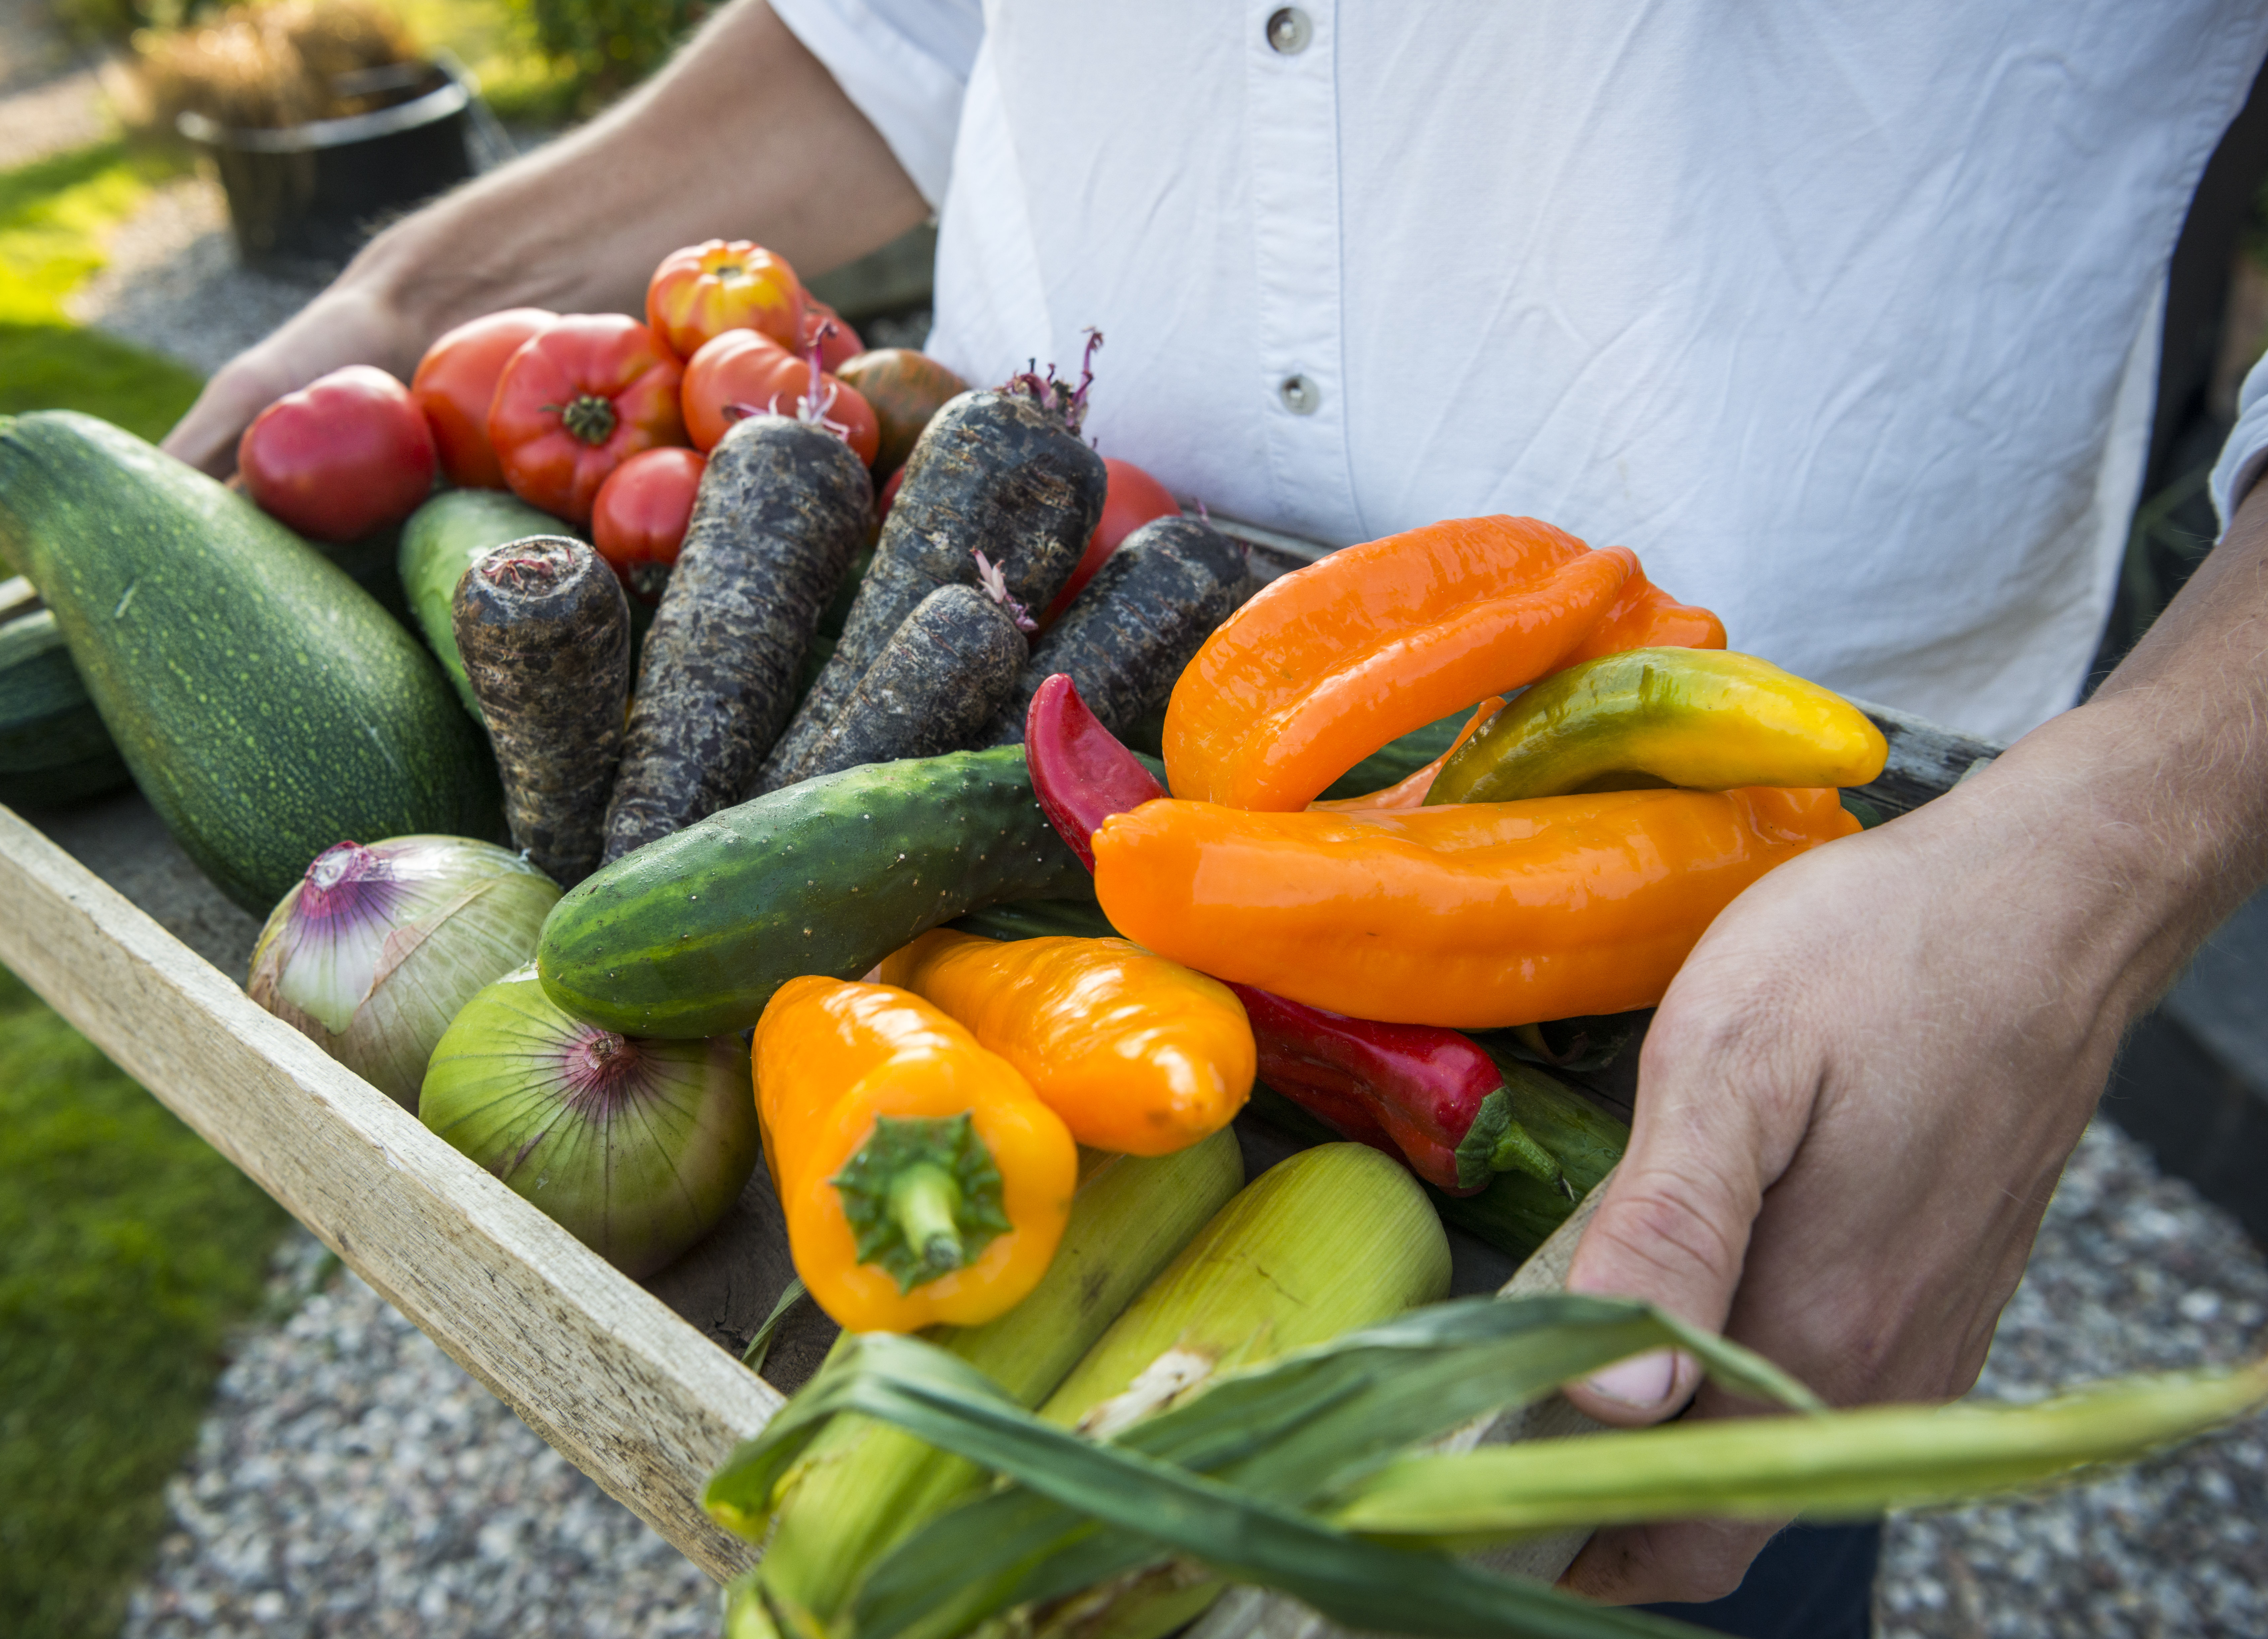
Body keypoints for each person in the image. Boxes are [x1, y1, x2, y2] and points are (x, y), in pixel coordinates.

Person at [164, 3, 2268, 1629]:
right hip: (1028, 689)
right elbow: (898, 26)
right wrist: (416, 290)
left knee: (1654, 1530)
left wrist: (2100, 869)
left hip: (1786, 906)